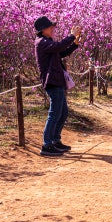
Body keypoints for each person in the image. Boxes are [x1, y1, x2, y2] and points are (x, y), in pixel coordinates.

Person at [34, 16, 82, 157]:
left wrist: (75, 44)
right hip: (52, 81)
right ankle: (47, 144)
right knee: (55, 113)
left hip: (57, 80)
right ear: (43, 30)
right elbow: (59, 47)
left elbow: (60, 52)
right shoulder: (41, 42)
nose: (53, 29)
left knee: (63, 113)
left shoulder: (47, 42)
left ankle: (55, 141)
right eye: (50, 27)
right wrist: (71, 35)